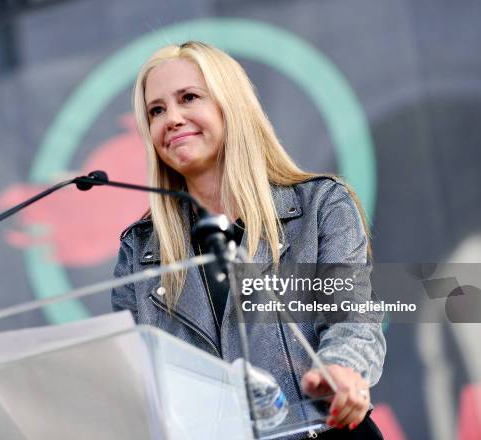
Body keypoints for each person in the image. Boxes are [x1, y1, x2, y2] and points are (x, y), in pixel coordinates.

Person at [112, 41, 386, 439]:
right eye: (156, 110)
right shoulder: (139, 250)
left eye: (189, 98)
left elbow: (354, 321)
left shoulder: (319, 205)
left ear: (231, 105)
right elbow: (137, 385)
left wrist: (340, 370)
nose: (171, 119)